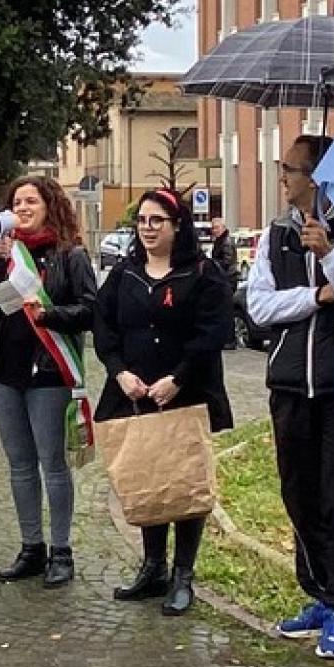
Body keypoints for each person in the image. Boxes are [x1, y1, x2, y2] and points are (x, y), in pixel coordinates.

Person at [245, 135, 334, 658]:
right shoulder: (275, 235)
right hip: (291, 381)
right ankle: (317, 593)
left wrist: (332, 261)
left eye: (291, 169)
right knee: (299, 494)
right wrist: (315, 295)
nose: (283, 178)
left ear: (317, 177)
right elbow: (259, 306)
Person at [95, 189, 233, 615]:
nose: (148, 228)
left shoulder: (203, 273)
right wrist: (119, 371)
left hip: (185, 392)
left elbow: (213, 332)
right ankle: (152, 567)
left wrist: (178, 378)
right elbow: (104, 326)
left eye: (158, 220)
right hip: (134, 392)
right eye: (142, 221)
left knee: (184, 481)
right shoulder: (125, 273)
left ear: (177, 226)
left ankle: (182, 575)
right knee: (146, 477)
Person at [0, 175, 96, 588]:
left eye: (31, 201)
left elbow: (90, 310)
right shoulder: (6, 253)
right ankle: (31, 547)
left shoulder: (70, 254)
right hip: (6, 370)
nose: (22, 208)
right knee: (20, 465)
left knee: (53, 464)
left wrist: (49, 315)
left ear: (49, 205)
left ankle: (62, 551)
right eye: (17, 202)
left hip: (49, 371)